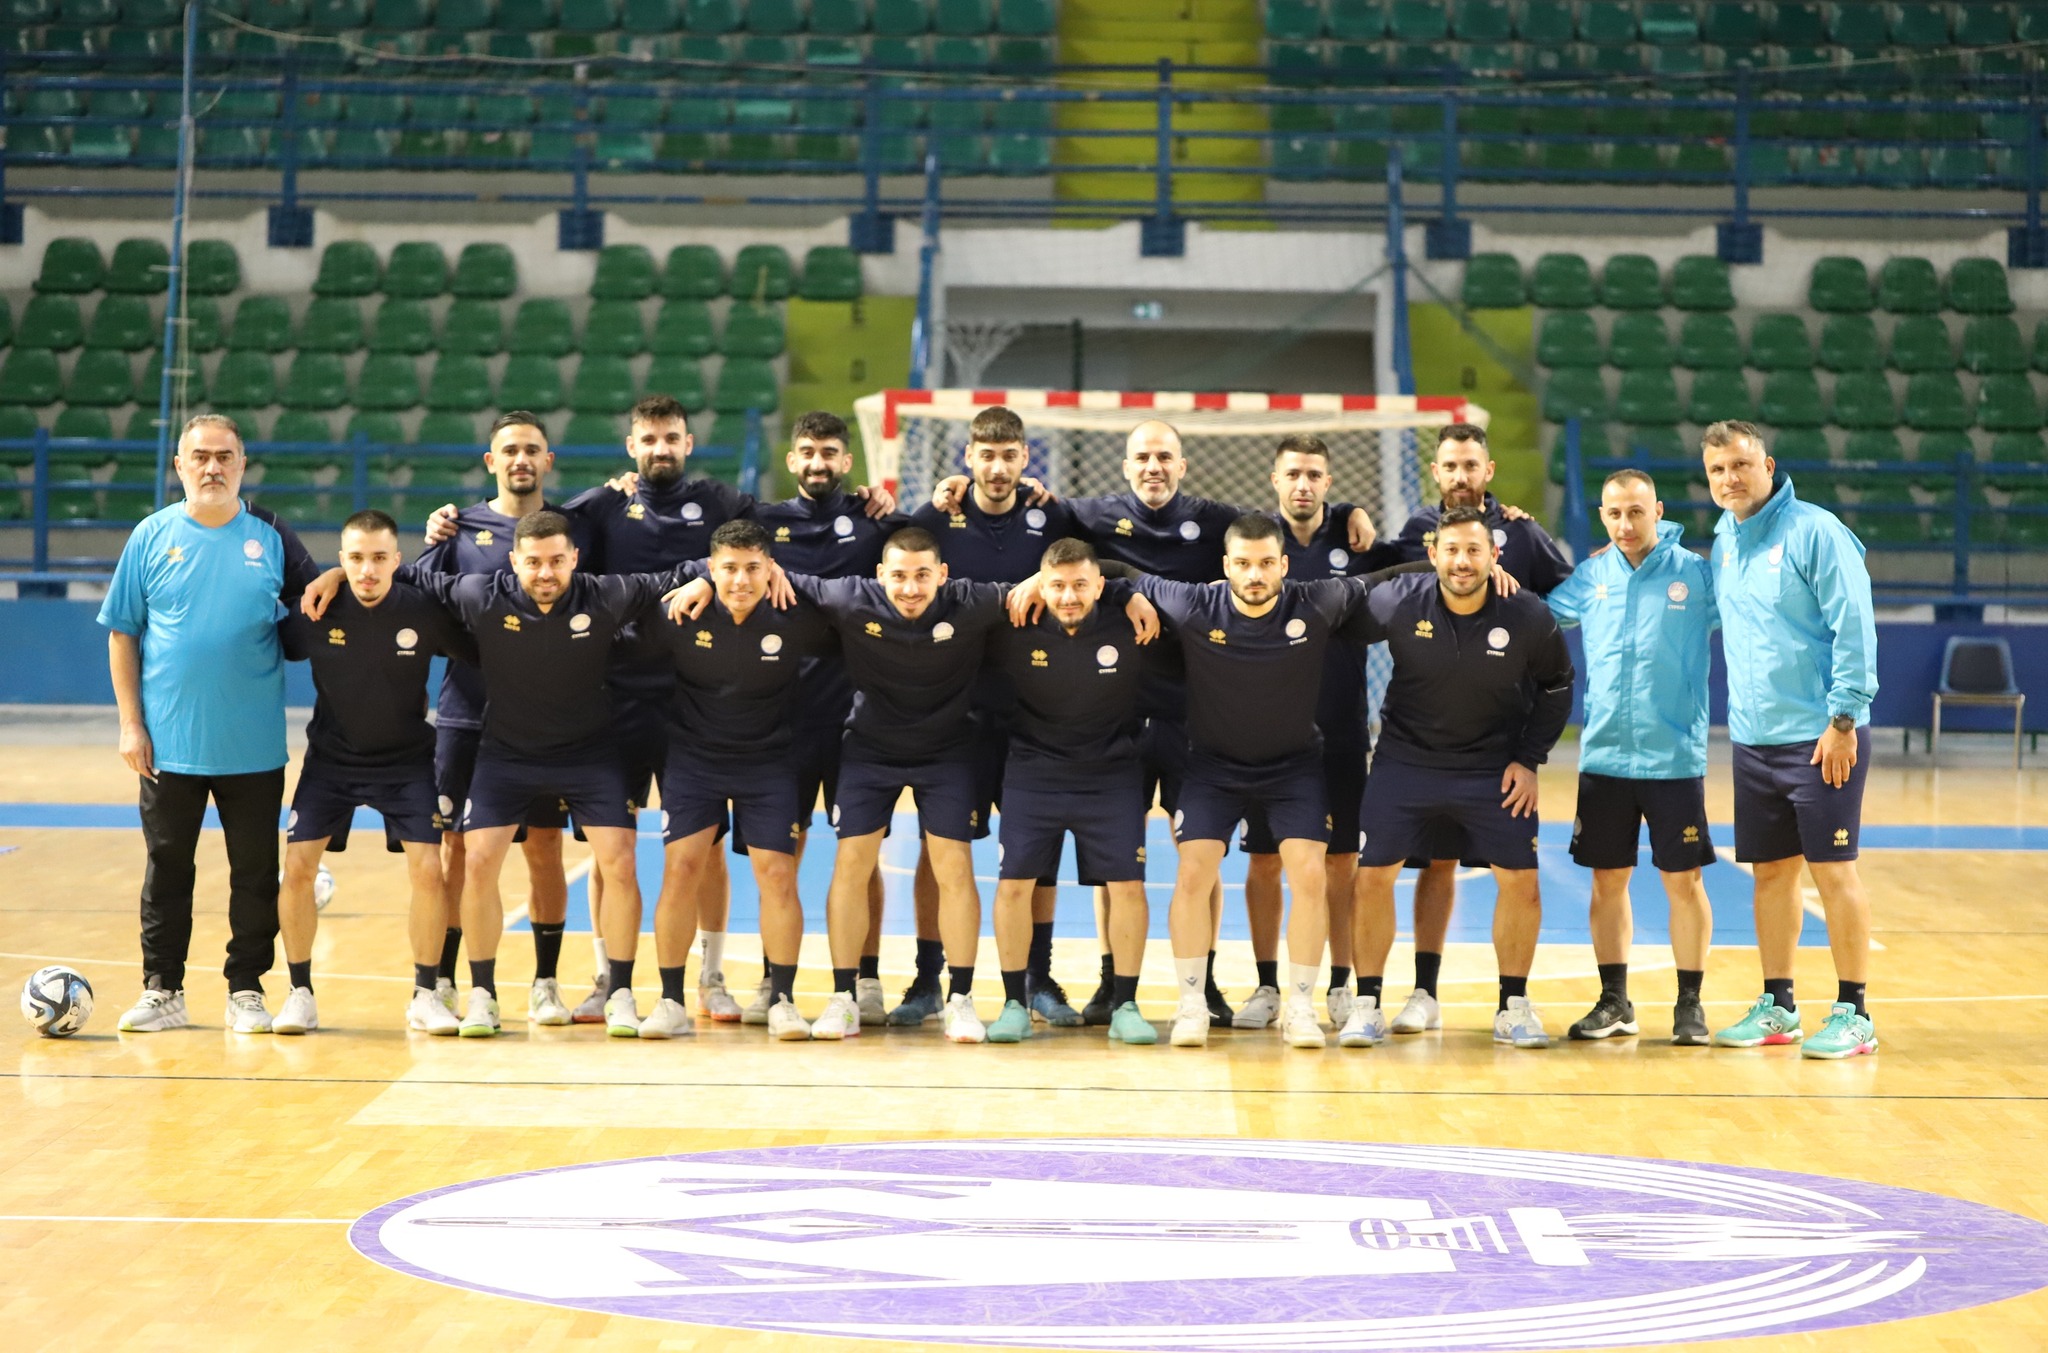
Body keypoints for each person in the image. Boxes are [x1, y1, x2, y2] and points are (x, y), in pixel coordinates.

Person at [424, 398, 898, 1025]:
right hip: (614, 697)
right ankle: (608, 980)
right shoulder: (599, 506)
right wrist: (443, 523)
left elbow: (762, 540)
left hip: (689, 697)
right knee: (610, 848)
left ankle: (710, 977)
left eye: (671, 438)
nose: (660, 449)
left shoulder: (722, 502)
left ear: (688, 443)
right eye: (648, 439)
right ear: (631, 447)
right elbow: (535, 532)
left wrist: (872, 502)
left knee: (702, 848)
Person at [934, 420, 1375, 1028]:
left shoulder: (1217, 520)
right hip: (1118, 712)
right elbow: (1036, 524)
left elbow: (1286, 518)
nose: (1153, 467)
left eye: (1165, 456)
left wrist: (1345, 511)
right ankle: (1111, 981)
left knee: (1199, 856)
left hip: (1193, 710)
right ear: (1125, 465)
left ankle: (1204, 982)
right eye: (1142, 456)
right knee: (1112, 861)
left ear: (1182, 465)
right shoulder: (1088, 514)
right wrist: (966, 491)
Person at [301, 510, 688, 1039]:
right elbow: (398, 571)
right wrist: (336, 573)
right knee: (477, 860)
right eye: (534, 562)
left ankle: (619, 992)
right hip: (506, 755)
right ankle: (483, 993)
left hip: (590, 754)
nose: (545, 572)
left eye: (557, 561)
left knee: (619, 860)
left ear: (575, 559)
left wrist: (709, 578)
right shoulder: (481, 594)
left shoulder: (605, 594)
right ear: (514, 562)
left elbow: (677, 574)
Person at [1095, 513, 1397, 1051]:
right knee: (1193, 871)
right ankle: (1191, 1004)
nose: (1254, 574)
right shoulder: (1193, 603)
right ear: (1226, 566)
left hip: (1294, 768)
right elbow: (1116, 569)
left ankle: (1299, 1007)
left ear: (1283, 565)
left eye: (1265, 564)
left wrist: (1475, 571)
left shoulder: (1317, 600)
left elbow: (1385, 577)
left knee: (1310, 874)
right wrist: (1091, 589)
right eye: (1243, 564)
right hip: (1213, 768)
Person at [100, 412, 321, 1034]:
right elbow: (122, 633)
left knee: (254, 873)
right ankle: (162, 989)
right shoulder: (150, 535)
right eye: (200, 456)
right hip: (168, 745)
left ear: (243, 465)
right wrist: (130, 725)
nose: (213, 468)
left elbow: (320, 601)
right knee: (167, 869)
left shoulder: (271, 537)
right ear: (180, 466)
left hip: (252, 745)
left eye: (225, 456)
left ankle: (246, 989)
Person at [1345, 505, 1575, 1051]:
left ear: (1494, 555)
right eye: (1451, 550)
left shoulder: (1526, 614)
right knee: (1373, 876)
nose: (1462, 561)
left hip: (1493, 768)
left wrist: (1529, 759)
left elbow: (1558, 684)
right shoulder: (1399, 600)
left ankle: (1513, 1005)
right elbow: (1334, 618)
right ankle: (1367, 1003)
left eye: (1474, 550)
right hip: (1406, 762)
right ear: (1432, 555)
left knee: (1520, 881)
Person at [1699, 420, 1879, 1059]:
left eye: (1741, 465)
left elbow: (1855, 626)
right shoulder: (1724, 540)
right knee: (1771, 874)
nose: (1730, 479)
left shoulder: (1816, 532)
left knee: (1833, 873)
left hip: (1821, 737)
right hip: (1753, 740)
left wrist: (1844, 720)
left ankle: (1855, 1013)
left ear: (1768, 466)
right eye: (1718, 470)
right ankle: (1778, 1006)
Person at [910, 405, 1087, 1027]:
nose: (997, 467)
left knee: (1037, 851)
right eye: (986, 455)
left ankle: (1038, 978)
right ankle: (927, 979)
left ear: (1025, 458)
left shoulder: (1052, 517)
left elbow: (1089, 571)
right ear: (968, 457)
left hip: (1035, 711)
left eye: (1009, 455)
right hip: (954, 711)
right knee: (940, 849)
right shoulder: (935, 518)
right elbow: (896, 569)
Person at [275, 510, 475, 1035]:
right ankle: (299, 994)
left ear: (397, 561)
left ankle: (426, 995)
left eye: (379, 558)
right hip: (331, 760)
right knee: (297, 867)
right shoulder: (315, 610)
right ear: (342, 560)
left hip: (407, 762)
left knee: (428, 870)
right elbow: (272, 649)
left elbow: (478, 655)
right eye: (357, 559)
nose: (367, 570)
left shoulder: (423, 610)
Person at [413, 413, 582, 1027]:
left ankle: (545, 984)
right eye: (509, 450)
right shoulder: (456, 529)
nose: (520, 459)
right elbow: (417, 595)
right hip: (467, 713)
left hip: (544, 721)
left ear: (548, 460)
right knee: (458, 849)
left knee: (545, 847)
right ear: (491, 461)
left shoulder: (570, 527)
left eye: (531, 449)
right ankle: (447, 982)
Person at [638, 520, 833, 1041]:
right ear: (711, 569)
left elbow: (853, 625)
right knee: (682, 867)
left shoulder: (795, 615)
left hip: (769, 762)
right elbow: (624, 638)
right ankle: (671, 1001)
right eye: (728, 569)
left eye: (752, 568)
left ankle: (782, 1000)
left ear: (770, 569)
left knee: (777, 874)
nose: (741, 580)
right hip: (694, 759)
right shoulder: (680, 612)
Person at [1543, 470, 1719, 1045]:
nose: (1625, 523)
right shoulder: (1591, 576)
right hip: (1605, 759)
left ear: (1658, 511)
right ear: (1602, 515)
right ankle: (1615, 1001)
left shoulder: (1696, 574)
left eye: (1636, 512)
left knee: (1683, 881)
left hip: (1675, 759)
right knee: (1607, 881)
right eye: (1615, 513)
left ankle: (1689, 1003)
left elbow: (1753, 616)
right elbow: (1536, 616)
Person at [746, 412, 908, 1025]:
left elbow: (925, 542)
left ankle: (866, 980)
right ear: (793, 460)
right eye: (808, 452)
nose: (819, 462)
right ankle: (774, 981)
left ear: (847, 461)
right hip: (782, 717)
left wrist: (944, 491)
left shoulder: (875, 523)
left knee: (861, 857)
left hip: (857, 715)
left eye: (830, 452)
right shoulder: (762, 525)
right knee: (778, 857)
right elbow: (715, 561)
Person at [1238, 434, 1402, 1031]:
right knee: (1264, 863)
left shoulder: (1358, 545)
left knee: (1341, 863)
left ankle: (1339, 984)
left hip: (1340, 730)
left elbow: (1424, 555)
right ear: (1275, 480)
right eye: (1293, 474)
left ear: (1328, 483)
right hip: (1267, 733)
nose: (1302, 484)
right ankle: (1265, 985)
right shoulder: (1255, 544)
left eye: (1313, 475)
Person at [984, 538, 1155, 1045]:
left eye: (1080, 585)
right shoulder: (1015, 619)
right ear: (1040, 585)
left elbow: (1166, 586)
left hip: (1111, 773)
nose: (1068, 596)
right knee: (1014, 885)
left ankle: (1126, 1004)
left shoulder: (1131, 620)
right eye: (1056, 585)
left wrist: (1128, 591)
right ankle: (1014, 1003)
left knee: (1128, 887)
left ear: (1099, 585)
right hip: (1034, 772)